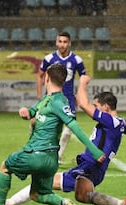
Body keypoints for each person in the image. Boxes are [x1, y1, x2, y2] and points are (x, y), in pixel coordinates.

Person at [0, 75, 126, 205]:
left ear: (106, 107)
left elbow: (83, 104)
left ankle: (123, 204)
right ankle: (8, 203)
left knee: (75, 194)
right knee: (65, 189)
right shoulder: (121, 123)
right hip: (90, 167)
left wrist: (82, 82)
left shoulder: (108, 119)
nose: (96, 108)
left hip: (91, 166)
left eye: (98, 106)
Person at [0, 64, 105, 205]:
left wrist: (95, 151)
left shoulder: (57, 102)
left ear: (46, 78)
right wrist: (25, 112)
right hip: (50, 160)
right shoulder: (51, 99)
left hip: (36, 154)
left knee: (5, 167)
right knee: (38, 194)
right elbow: (32, 112)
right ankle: (65, 203)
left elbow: (75, 127)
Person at [36, 31, 86, 164]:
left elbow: (84, 77)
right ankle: (41, 150)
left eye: (65, 42)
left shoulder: (76, 60)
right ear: (56, 42)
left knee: (69, 130)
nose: (62, 45)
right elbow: (39, 75)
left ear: (69, 43)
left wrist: (80, 94)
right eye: (60, 41)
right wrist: (40, 95)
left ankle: (58, 156)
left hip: (68, 98)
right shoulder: (49, 59)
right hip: (51, 98)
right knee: (45, 126)